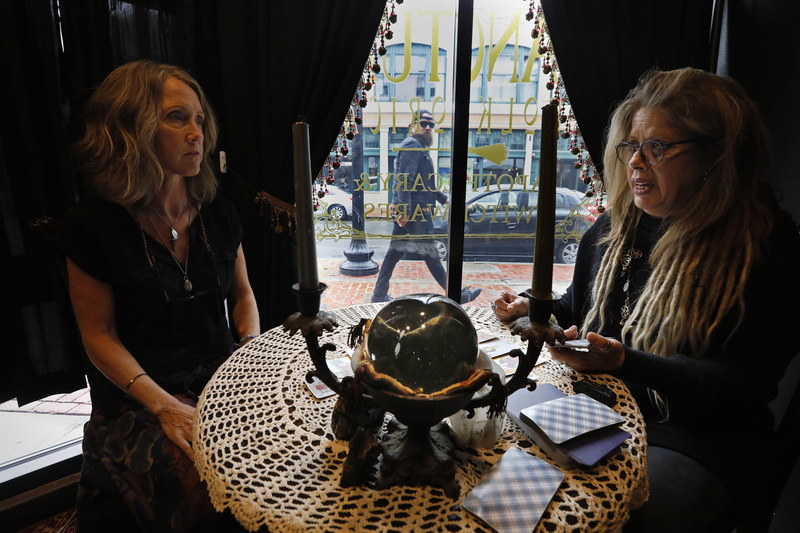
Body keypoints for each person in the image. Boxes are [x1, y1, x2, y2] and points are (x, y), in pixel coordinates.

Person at [493, 68, 800, 532]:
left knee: (616, 518)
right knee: (502, 479)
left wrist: (626, 364)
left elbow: (746, 382)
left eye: (656, 147)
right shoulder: (615, 229)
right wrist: (536, 311)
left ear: (715, 157)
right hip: (598, 409)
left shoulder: (760, 247)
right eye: (630, 145)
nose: (635, 162)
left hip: (697, 437)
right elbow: (577, 309)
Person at [58, 60, 259, 532]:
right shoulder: (92, 227)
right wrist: (163, 405)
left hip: (221, 378)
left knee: (293, 456)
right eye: (177, 117)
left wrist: (252, 358)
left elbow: (244, 294)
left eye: (200, 120)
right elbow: (99, 336)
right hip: (138, 398)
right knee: (204, 495)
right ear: (131, 128)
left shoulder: (219, 212)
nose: (196, 133)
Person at [372, 109, 481, 304]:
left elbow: (425, 184)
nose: (428, 127)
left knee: (393, 254)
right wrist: (404, 211)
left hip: (412, 211)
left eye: (431, 124)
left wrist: (443, 198)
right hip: (414, 213)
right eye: (424, 123)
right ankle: (457, 294)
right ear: (413, 125)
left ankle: (378, 295)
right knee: (430, 253)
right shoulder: (412, 146)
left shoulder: (419, 147)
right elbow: (405, 181)